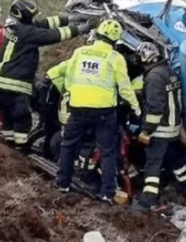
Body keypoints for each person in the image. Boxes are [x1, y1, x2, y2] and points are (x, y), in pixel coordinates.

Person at [0, 0, 92, 152]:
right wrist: (83, 28)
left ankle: (8, 145)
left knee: (7, 116)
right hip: (12, 83)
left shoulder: (15, 27)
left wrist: (71, 18)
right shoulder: (27, 33)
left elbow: (44, 24)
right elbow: (53, 35)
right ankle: (20, 149)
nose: (33, 19)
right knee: (22, 118)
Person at [55, 19, 141, 204]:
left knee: (68, 145)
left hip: (78, 108)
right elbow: (125, 88)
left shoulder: (79, 52)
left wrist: (73, 94)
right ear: (115, 40)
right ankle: (107, 193)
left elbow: (69, 77)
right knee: (108, 151)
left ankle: (63, 183)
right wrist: (136, 108)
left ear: (98, 34)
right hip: (103, 112)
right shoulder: (115, 58)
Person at [130, 42, 186, 213]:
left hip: (160, 130)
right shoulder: (169, 72)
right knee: (176, 159)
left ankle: (147, 201)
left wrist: (146, 131)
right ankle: (184, 188)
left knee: (153, 165)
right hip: (174, 127)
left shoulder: (153, 77)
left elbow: (155, 108)